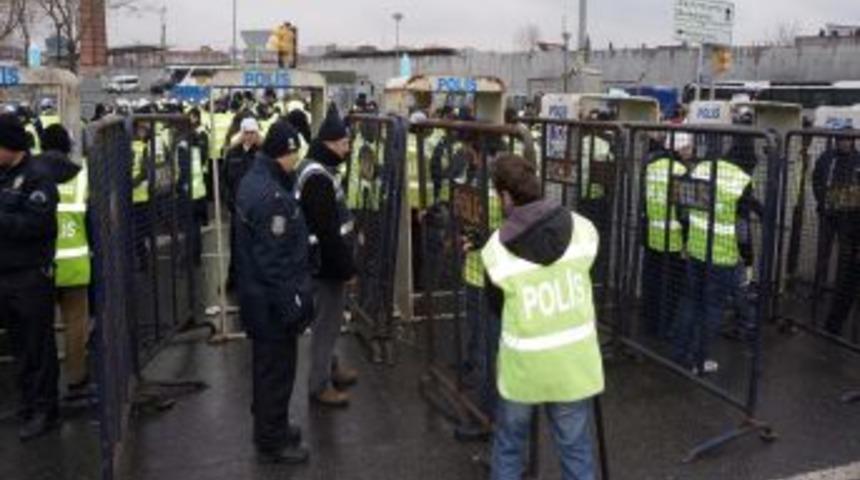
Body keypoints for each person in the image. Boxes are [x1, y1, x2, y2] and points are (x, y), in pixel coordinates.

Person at [483, 154, 604, 480]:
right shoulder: (583, 228)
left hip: (523, 372)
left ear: (506, 196)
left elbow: (495, 306)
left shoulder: (495, 249)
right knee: (575, 450)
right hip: (574, 368)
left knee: (509, 447)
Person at [235, 120, 313, 464]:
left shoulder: (257, 181)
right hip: (271, 306)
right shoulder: (272, 198)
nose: (296, 161)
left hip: (258, 300)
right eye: (294, 154)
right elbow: (274, 263)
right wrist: (293, 305)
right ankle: (272, 440)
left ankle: (274, 425)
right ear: (285, 153)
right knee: (276, 373)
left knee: (270, 371)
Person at [674, 137, 761, 374]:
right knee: (711, 309)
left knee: (690, 301)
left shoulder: (703, 167)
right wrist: (748, 258)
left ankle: (680, 352)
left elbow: (684, 207)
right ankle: (698, 361)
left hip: (695, 248)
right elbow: (742, 229)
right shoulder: (742, 180)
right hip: (722, 256)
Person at [0, 114, 61, 441]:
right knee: (19, 344)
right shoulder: (4, 174)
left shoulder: (38, 178)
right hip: (6, 274)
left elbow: (37, 225)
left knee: (38, 344)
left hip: (30, 274)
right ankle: (26, 402)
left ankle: (45, 409)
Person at [296, 106, 358, 407]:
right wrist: (347, 268)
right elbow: (327, 232)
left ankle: (331, 367)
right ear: (332, 143)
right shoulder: (318, 177)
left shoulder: (312, 168)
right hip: (326, 264)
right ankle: (320, 385)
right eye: (345, 143)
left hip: (321, 261)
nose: (348, 149)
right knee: (326, 324)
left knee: (328, 321)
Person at [34, 124, 92, 399]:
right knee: (75, 326)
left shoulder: (29, 176)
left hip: (37, 265)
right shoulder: (81, 177)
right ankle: (76, 379)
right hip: (75, 264)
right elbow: (93, 221)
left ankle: (43, 385)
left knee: (39, 327)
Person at [812, 129, 860, 335]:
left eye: (847, 140)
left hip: (850, 220)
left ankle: (838, 294)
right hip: (828, 214)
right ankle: (818, 289)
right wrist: (822, 200)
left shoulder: (858, 160)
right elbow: (816, 179)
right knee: (822, 254)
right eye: (841, 139)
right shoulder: (826, 157)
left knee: (845, 258)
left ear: (853, 141)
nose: (843, 143)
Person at [640, 135, 688, 339]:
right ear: (681, 149)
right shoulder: (680, 171)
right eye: (688, 148)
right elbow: (683, 211)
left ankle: (649, 323)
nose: (690, 152)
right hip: (673, 239)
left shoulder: (651, 167)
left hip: (652, 234)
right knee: (670, 287)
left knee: (652, 281)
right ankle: (664, 328)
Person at [224, 117, 261, 292]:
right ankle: (234, 279)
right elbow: (224, 180)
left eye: (253, 133)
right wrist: (229, 202)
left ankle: (254, 279)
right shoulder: (232, 154)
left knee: (256, 245)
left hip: (256, 210)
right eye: (246, 132)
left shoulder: (262, 154)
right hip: (237, 208)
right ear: (242, 133)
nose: (249, 136)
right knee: (236, 244)